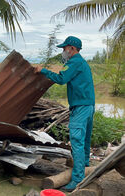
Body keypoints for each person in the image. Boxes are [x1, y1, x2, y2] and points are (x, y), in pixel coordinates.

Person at [35, 36, 95, 192]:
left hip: (80, 107)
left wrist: (43, 71)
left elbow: (61, 79)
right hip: (88, 105)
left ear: (72, 49)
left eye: (64, 48)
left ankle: (77, 180)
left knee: (77, 143)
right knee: (85, 140)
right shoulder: (82, 62)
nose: (63, 52)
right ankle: (86, 168)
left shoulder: (74, 62)